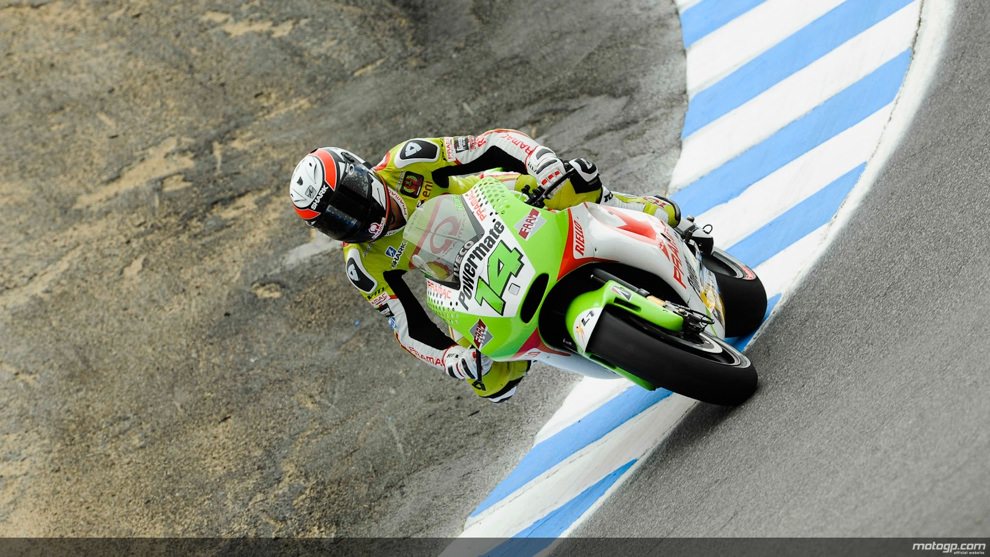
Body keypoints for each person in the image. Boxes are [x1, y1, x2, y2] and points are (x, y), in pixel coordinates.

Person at [288, 129, 681, 403]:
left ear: (361, 171)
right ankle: (553, 343)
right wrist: (448, 358)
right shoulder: (361, 263)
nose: (353, 217)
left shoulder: (407, 160)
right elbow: (406, 325)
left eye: (350, 198)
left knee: (574, 182)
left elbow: (487, 144)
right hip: (467, 277)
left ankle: (645, 213)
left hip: (505, 206)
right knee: (489, 383)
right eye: (334, 220)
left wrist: (538, 160)